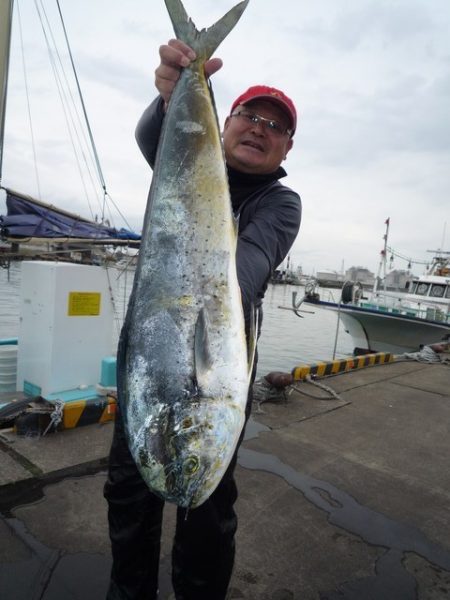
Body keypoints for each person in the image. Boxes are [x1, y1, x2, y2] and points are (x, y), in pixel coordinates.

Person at [104, 39, 302, 600]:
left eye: (275, 126)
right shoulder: (183, 157)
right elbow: (152, 136)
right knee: (127, 491)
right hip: (148, 358)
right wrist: (172, 98)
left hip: (221, 362)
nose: (260, 128)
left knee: (209, 509)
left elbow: (242, 276)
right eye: (249, 115)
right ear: (225, 120)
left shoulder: (279, 204)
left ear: (287, 147)